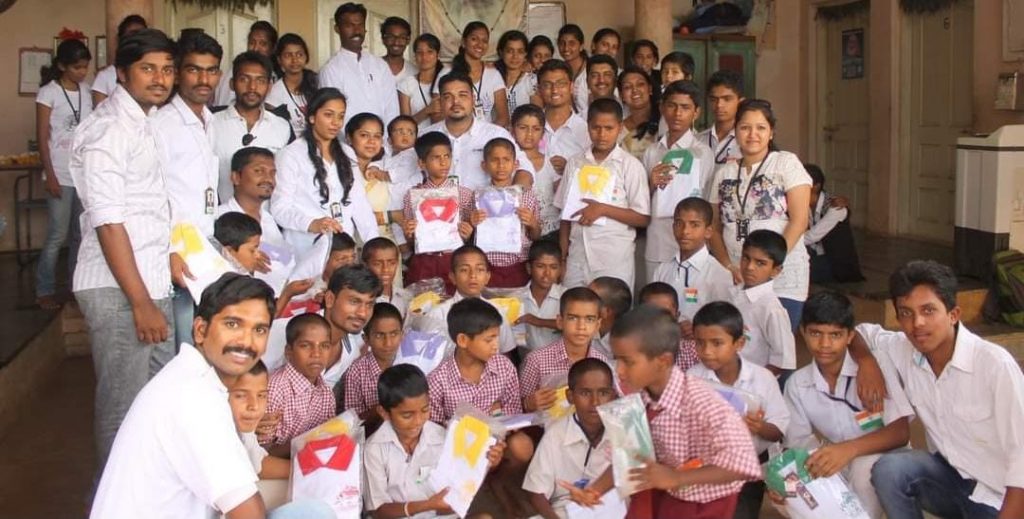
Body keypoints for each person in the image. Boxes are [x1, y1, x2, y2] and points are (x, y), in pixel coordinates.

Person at [90, 273, 333, 518]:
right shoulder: (195, 398)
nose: (246, 341)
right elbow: (248, 513)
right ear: (200, 330)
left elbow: (253, 469)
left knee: (316, 504)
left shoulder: (191, 376)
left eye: (259, 329)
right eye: (232, 324)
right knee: (316, 513)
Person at [71, 28, 177, 472]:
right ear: (121, 73)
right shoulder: (109, 128)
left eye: (167, 69)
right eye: (148, 69)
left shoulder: (143, 121)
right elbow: (108, 221)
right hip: (121, 291)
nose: (160, 78)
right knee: (123, 412)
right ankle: (114, 500)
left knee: (155, 406)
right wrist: (140, 303)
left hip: (149, 282)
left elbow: (146, 208)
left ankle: (147, 495)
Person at [849, 261, 1024, 519]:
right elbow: (860, 333)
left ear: (953, 314)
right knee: (890, 470)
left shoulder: (994, 365)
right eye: (906, 313)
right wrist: (866, 361)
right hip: (951, 480)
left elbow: (1022, 457)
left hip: (999, 498)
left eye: (928, 310)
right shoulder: (904, 349)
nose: (917, 323)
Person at [566, 305, 762, 516]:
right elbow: (629, 458)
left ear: (663, 361)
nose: (619, 370)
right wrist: (594, 491)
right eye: (617, 359)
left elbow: (742, 465)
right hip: (662, 496)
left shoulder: (703, 404)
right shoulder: (639, 401)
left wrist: (677, 478)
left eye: (628, 362)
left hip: (702, 506)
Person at [780, 291, 912, 519]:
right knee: (791, 489)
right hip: (839, 457)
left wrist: (848, 450)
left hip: (889, 457)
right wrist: (787, 482)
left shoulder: (876, 367)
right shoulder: (798, 385)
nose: (824, 344)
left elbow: (900, 433)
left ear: (850, 336)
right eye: (815, 333)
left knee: (863, 471)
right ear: (802, 332)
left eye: (835, 335)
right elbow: (798, 447)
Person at [709, 99, 812, 329]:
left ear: (771, 132)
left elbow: (799, 221)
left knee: (778, 342)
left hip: (781, 275)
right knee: (742, 341)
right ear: (735, 131)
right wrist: (727, 265)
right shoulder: (724, 172)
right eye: (745, 127)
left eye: (761, 128)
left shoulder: (785, 163)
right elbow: (713, 227)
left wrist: (770, 264)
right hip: (738, 275)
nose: (752, 134)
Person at [151, 32, 225, 349]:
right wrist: (171, 250)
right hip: (174, 249)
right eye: (194, 70)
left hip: (203, 244)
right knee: (180, 344)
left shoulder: (210, 120)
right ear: (178, 73)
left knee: (201, 339)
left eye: (211, 71)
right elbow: (155, 193)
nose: (203, 80)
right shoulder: (163, 124)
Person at [688, 301, 790, 519]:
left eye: (717, 343)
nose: (707, 352)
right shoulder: (692, 379)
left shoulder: (762, 379)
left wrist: (760, 427)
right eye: (700, 343)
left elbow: (778, 429)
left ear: (739, 343)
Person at [364, 364, 505, 519]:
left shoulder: (441, 436)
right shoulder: (374, 449)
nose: (418, 421)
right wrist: (426, 505)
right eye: (407, 415)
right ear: (384, 413)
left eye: (425, 410)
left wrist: (487, 463)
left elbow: (458, 491)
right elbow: (378, 510)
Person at [555, 97, 651, 290]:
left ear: (620, 128)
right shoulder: (575, 163)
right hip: (577, 257)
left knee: (611, 306)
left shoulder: (630, 165)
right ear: (588, 126)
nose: (602, 134)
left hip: (613, 259)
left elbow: (642, 218)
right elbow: (565, 216)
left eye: (609, 128)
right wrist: (563, 257)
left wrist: (603, 209)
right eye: (596, 128)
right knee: (573, 304)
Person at [270, 87, 379, 255]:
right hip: (305, 247)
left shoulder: (347, 153)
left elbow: (360, 203)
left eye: (341, 116)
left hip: (343, 248)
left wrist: (373, 244)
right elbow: (280, 208)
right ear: (312, 117)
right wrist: (312, 223)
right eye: (328, 115)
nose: (336, 122)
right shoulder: (291, 154)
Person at [35, 38, 93, 310]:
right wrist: (50, 175)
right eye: (77, 67)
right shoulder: (48, 93)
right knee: (57, 236)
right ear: (62, 66)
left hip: (82, 174)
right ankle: (44, 289)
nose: (82, 72)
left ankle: (74, 287)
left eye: (85, 67)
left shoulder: (86, 92)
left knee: (80, 235)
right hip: (59, 172)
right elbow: (41, 135)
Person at [524, 358, 616, 519]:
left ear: (613, 395)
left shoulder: (622, 429)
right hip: (566, 510)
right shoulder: (556, 434)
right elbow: (536, 492)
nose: (595, 402)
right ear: (570, 396)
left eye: (603, 393)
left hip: (615, 509)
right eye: (585, 393)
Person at [644, 81, 716, 283]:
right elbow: (640, 200)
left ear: (696, 112)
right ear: (662, 108)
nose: (677, 113)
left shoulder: (702, 153)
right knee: (656, 295)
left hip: (691, 241)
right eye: (672, 106)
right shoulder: (652, 151)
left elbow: (704, 198)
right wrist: (651, 184)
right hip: (658, 241)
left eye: (685, 107)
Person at [419, 73, 532, 190]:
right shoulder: (425, 136)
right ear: (440, 102)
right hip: (436, 201)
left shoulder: (496, 134)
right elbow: (410, 173)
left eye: (462, 95)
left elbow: (524, 168)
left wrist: (514, 195)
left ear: (473, 99)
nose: (456, 101)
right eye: (448, 97)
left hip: (485, 201)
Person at [212, 51, 293, 202]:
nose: (252, 87)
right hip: (223, 213)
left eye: (260, 81)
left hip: (268, 215)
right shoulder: (211, 124)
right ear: (232, 84)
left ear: (269, 86)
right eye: (244, 79)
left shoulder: (282, 127)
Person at [401, 131, 475, 293]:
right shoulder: (413, 196)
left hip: (454, 260)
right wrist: (408, 233)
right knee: (423, 302)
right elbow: (412, 242)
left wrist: (469, 234)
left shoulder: (464, 194)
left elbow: (471, 237)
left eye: (447, 156)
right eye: (436, 158)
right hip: (424, 261)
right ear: (422, 163)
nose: (443, 162)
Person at [427, 297, 522, 423]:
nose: (496, 346)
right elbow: (435, 427)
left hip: (500, 433)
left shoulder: (504, 367)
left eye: (497, 338)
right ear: (463, 340)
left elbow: (514, 413)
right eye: (488, 340)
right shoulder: (437, 381)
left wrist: (497, 415)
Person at [415, 245, 518, 354]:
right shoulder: (437, 315)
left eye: (480, 269)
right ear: (452, 277)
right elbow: (426, 357)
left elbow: (505, 353)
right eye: (464, 270)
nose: (473, 275)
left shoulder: (497, 311)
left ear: (487, 277)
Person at [520, 286, 609, 412]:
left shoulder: (602, 363)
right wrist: (528, 404)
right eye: (573, 318)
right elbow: (518, 406)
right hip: (547, 424)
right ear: (560, 322)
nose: (581, 326)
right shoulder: (536, 361)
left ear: (597, 325)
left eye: (589, 319)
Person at [470, 137, 541, 288]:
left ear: (515, 164)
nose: (501, 165)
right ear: (484, 165)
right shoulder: (477, 197)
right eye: (494, 160)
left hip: (518, 265)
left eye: (506, 160)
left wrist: (533, 223)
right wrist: (472, 222)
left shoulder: (526, 195)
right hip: (486, 266)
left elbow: (536, 236)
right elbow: (471, 235)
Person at [652, 197, 733, 329]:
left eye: (694, 225)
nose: (685, 231)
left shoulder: (719, 274)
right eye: (679, 223)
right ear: (673, 227)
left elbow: (724, 321)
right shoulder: (662, 269)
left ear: (708, 231)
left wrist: (697, 327)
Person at [319, 3, 399, 128]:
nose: (356, 31)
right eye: (349, 25)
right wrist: (352, 139)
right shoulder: (331, 69)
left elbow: (392, 108)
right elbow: (332, 114)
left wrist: (387, 137)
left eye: (360, 25)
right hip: (348, 139)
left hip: (382, 138)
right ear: (337, 29)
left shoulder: (380, 65)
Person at [728, 230, 796, 376]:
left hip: (751, 383)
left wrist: (756, 382)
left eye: (760, 263)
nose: (750, 267)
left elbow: (781, 360)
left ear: (776, 270)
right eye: (746, 258)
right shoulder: (732, 294)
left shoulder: (772, 309)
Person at [264, 312, 335, 454]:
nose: (316, 354)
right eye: (306, 345)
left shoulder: (326, 393)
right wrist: (306, 443)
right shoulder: (275, 389)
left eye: (324, 346)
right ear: (289, 351)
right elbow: (263, 452)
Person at [345, 112, 404, 247]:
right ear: (349, 138)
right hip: (356, 248)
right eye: (364, 135)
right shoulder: (341, 174)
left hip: (390, 247)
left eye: (377, 136)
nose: (372, 141)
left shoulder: (386, 170)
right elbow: (345, 216)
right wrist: (391, 216)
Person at [322, 264, 382, 393]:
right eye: (354, 301)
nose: (362, 313)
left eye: (369, 304)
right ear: (330, 299)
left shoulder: (353, 353)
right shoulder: (285, 332)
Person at [343, 302, 403, 424]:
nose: (388, 343)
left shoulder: (411, 362)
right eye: (379, 335)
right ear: (366, 339)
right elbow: (354, 420)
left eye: (394, 334)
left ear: (402, 335)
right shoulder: (356, 372)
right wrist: (380, 409)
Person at [228, 360, 290, 480]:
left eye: (261, 395)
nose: (254, 405)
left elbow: (257, 463)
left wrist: (309, 469)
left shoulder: (245, 428)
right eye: (241, 395)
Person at [804, 163, 865, 283]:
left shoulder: (836, 208)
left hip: (835, 265)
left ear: (816, 186)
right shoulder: (802, 203)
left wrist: (786, 241)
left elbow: (811, 237)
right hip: (816, 255)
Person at [511, 104, 562, 240]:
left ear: (543, 133)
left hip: (551, 232)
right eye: (523, 128)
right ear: (512, 130)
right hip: (519, 232)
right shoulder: (508, 164)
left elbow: (561, 196)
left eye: (536, 129)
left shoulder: (551, 163)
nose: (529, 134)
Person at [537, 60, 591, 182]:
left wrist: (570, 168)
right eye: (547, 85)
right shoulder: (530, 127)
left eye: (561, 84)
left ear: (571, 87)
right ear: (539, 89)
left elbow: (596, 172)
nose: (554, 90)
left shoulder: (585, 130)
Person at [216, 147, 284, 244]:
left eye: (272, 173)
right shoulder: (219, 218)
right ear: (236, 177)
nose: (269, 179)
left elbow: (282, 253)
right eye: (258, 171)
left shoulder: (268, 220)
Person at [450, 22, 509, 127]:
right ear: (463, 42)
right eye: (474, 39)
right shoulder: (448, 72)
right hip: (456, 135)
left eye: (484, 41)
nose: (480, 44)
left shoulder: (494, 75)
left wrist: (485, 134)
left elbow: (503, 117)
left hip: (487, 135)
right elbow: (438, 116)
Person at [214, 20, 278, 107]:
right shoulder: (237, 72)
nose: (255, 48)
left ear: (272, 48)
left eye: (262, 44)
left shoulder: (274, 75)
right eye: (252, 43)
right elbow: (223, 105)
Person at [638, 282, 699, 371]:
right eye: (651, 313)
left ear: (677, 316)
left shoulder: (693, 352)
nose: (659, 319)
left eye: (666, 313)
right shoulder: (630, 350)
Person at [267, 33, 318, 136]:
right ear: (279, 60)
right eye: (288, 55)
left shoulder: (316, 82)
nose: (294, 60)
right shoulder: (274, 93)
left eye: (299, 54)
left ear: (306, 57)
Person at [517, 240, 564, 352]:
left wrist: (537, 321)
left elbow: (573, 325)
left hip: (561, 360)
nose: (547, 273)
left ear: (560, 270)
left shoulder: (566, 296)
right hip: (526, 360)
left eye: (553, 267)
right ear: (529, 268)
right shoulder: (517, 298)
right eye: (540, 266)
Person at [91, 14, 146, 106]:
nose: (136, 40)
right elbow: (99, 111)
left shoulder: (153, 74)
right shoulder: (104, 76)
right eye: (131, 35)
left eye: (142, 35)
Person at [398, 33, 448, 131]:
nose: (424, 57)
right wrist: (427, 110)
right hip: (417, 138)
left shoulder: (447, 82)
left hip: (444, 136)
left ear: (438, 55)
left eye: (430, 52)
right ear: (414, 56)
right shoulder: (406, 84)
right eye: (419, 52)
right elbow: (405, 125)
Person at [697, 70, 744, 167]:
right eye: (714, 99)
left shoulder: (747, 141)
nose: (719, 105)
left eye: (727, 99)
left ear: (740, 102)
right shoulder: (698, 140)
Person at [618, 66, 660, 160]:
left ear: (650, 89)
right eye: (627, 87)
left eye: (640, 84)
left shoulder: (664, 122)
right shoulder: (618, 130)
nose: (635, 90)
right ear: (621, 95)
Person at [496, 30, 542, 116]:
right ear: (501, 52)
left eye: (520, 51)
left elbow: (537, 115)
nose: (515, 56)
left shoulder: (532, 80)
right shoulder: (493, 77)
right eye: (510, 51)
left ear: (525, 54)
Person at [363, 237, 410, 316]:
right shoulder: (363, 301)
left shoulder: (406, 297)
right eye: (377, 264)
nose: (386, 269)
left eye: (392, 263)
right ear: (365, 266)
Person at [588, 276, 632, 359]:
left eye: (589, 299)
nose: (580, 300)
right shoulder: (581, 331)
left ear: (606, 311)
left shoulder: (627, 346)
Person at [556, 24, 589, 115]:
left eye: (572, 43)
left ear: (581, 46)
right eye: (562, 43)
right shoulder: (558, 72)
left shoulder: (591, 71)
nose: (566, 48)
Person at [380, 16, 417, 85]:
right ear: (383, 39)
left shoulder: (414, 72)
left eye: (402, 37)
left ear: (408, 40)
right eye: (391, 37)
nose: (396, 42)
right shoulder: (373, 66)